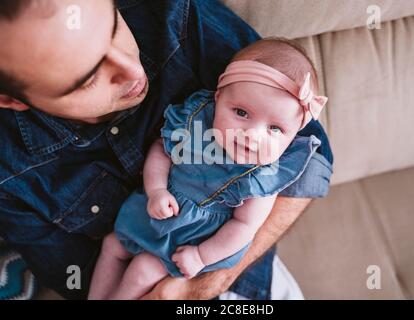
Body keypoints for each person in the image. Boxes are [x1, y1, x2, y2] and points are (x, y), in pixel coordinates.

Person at [0, 0, 333, 300]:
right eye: (87, 78)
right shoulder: (9, 172)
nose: (133, 70)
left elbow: (311, 161)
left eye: (115, 27)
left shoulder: (173, 14)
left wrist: (204, 283)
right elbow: (74, 275)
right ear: (10, 100)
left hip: (241, 285)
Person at [88, 38, 329, 300]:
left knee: (143, 269)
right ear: (218, 98)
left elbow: (244, 227)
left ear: (293, 135)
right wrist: (156, 189)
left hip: (194, 240)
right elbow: (162, 151)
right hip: (157, 210)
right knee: (112, 245)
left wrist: (201, 256)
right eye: (241, 112)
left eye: (275, 129)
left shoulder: (262, 177)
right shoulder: (197, 124)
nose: (252, 135)